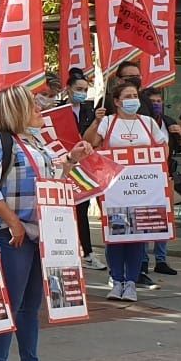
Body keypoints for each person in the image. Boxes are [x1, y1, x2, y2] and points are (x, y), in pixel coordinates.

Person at [0, 85, 88, 361]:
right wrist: (13, 222)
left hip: (38, 233)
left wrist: (72, 161)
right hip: (13, 235)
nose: (41, 110)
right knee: (8, 306)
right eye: (33, 106)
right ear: (17, 111)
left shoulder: (35, 141)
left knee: (29, 306)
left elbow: (50, 176)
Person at [86, 80, 169, 304]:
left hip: (143, 188)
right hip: (115, 188)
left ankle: (131, 282)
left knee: (136, 236)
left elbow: (163, 147)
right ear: (116, 101)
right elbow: (89, 143)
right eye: (128, 96)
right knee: (116, 236)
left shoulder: (148, 122)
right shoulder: (108, 122)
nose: (132, 99)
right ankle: (117, 280)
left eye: (135, 95)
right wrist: (97, 121)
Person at [138, 86, 181, 282]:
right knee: (143, 219)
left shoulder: (167, 122)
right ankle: (141, 260)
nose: (157, 105)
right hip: (144, 176)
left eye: (160, 101)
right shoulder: (140, 123)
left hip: (165, 175)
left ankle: (161, 259)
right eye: (153, 102)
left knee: (164, 219)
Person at [64, 69, 104, 270]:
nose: (81, 93)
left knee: (82, 208)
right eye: (78, 89)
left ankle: (87, 252)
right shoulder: (57, 111)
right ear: (68, 89)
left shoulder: (91, 111)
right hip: (63, 164)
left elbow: (90, 140)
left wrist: (96, 121)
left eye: (84, 90)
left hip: (84, 166)